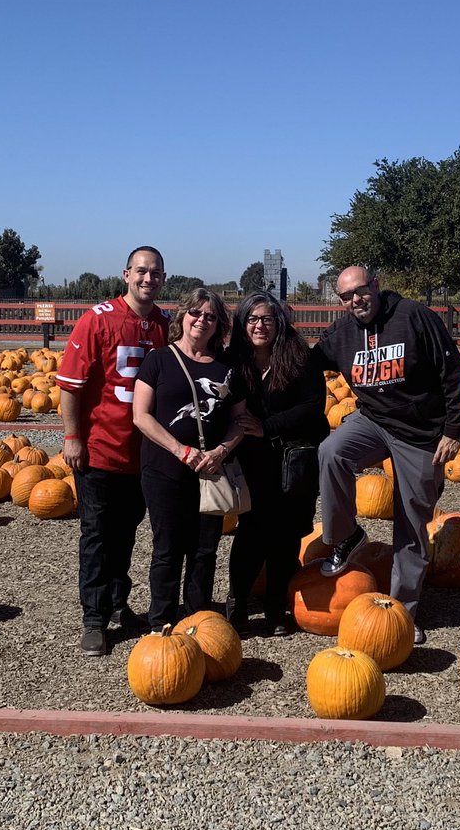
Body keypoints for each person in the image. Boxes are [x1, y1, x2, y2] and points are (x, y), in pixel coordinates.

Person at [314, 265, 460, 644]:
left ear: (376, 286)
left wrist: (452, 431)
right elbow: (306, 364)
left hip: (420, 432)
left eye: (361, 291)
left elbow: (453, 372)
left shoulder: (414, 317)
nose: (356, 300)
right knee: (331, 451)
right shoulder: (343, 332)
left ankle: (402, 613)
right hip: (372, 420)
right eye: (347, 296)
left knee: (411, 520)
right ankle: (345, 536)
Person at [56, 246, 169, 657]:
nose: (147, 279)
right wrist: (73, 436)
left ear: (163, 278)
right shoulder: (96, 320)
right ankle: (94, 618)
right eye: (141, 271)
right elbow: (70, 385)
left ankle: (119, 602)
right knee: (98, 535)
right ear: (126, 274)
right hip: (101, 449)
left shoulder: (165, 324)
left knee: (127, 532)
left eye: (155, 273)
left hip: (145, 453)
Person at [132, 288, 248, 630]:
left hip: (209, 472)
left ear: (218, 325)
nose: (201, 321)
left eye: (210, 316)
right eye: (196, 313)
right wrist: (179, 449)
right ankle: (161, 620)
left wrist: (221, 450)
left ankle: (198, 618)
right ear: (182, 316)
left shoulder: (227, 368)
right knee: (167, 548)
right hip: (164, 469)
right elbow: (141, 415)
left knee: (204, 550)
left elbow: (239, 421)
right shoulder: (158, 360)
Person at [224, 294, 329, 635]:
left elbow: (312, 406)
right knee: (251, 532)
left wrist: (267, 427)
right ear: (242, 323)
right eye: (252, 319)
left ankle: (274, 606)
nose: (260, 326)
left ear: (279, 323)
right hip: (253, 460)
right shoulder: (233, 360)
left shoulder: (299, 357)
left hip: (294, 459)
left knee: (286, 536)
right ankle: (237, 601)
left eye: (267, 319)